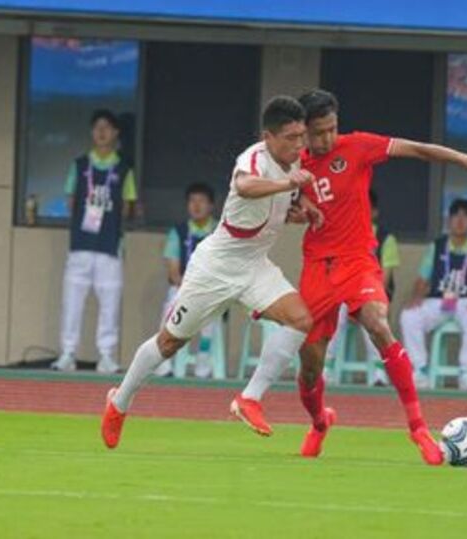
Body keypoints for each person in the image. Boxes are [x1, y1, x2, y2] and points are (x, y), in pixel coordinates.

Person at [101, 96, 322, 449]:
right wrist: (288, 185)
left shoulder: (294, 163)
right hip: (215, 267)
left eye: (301, 136)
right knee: (170, 342)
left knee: (300, 319)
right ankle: (119, 401)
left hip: (255, 266)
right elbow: (246, 187)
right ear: (268, 137)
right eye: (291, 137)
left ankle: (249, 399)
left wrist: (302, 208)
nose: (299, 144)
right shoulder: (253, 159)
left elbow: (282, 204)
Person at [292, 89, 467, 461]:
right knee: (310, 366)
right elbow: (273, 197)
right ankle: (320, 422)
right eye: (318, 132)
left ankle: (418, 428)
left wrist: (465, 160)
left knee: (378, 322)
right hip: (318, 266)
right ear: (303, 131)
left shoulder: (358, 146)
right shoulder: (294, 162)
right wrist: (297, 205)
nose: (327, 139)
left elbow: (418, 149)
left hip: (357, 259)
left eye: (332, 129)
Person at [53, 109, 137, 375]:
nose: (101, 132)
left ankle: (107, 356)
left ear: (115, 134)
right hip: (80, 245)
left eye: (107, 128)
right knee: (72, 301)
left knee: (110, 303)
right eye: (97, 127)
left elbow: (127, 207)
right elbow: (70, 201)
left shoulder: (124, 169)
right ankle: (67, 353)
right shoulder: (79, 165)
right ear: (92, 133)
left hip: (110, 248)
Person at [401, 198, 467, 392]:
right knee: (409, 315)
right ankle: (419, 370)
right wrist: (417, 296)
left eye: (466, 216)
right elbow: (421, 280)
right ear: (448, 220)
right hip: (439, 301)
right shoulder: (435, 247)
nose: (460, 221)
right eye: (456, 215)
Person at [324, 189, 398, 387]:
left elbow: (385, 281)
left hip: (373, 295)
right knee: (334, 310)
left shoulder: (386, 238)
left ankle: (378, 370)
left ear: (374, 212)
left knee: (371, 311)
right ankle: (327, 368)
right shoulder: (344, 235)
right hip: (345, 295)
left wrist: (362, 301)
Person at [154, 182, 221, 379]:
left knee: (213, 308)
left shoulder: (220, 232)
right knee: (169, 305)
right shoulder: (178, 232)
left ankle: (203, 357)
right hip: (184, 288)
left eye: (202, 201)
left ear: (211, 206)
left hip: (213, 290)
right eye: (192, 201)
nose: (196, 206)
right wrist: (189, 288)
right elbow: (174, 273)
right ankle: (163, 363)